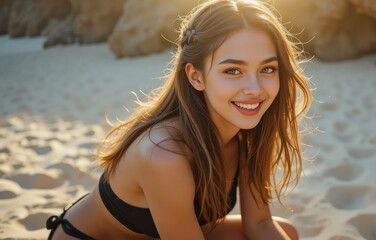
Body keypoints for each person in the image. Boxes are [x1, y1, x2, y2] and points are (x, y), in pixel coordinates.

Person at [46, 0, 312, 239]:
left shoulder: (248, 133)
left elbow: (261, 224)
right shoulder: (164, 154)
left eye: (267, 69)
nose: (255, 88)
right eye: (233, 70)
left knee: (286, 232)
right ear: (196, 77)